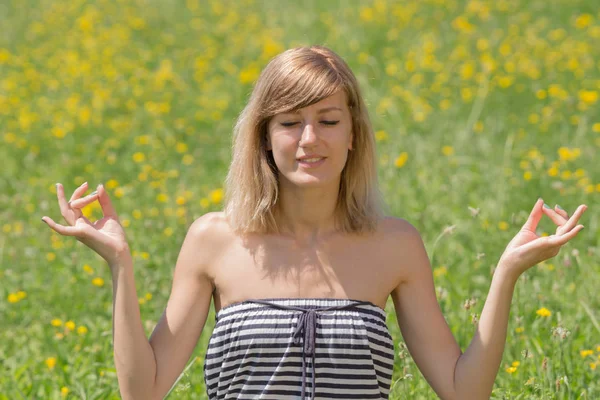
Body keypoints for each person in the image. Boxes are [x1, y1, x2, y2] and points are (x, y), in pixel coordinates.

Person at [42, 45, 588, 400]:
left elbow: (461, 390)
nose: (310, 140)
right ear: (264, 136)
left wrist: (508, 272)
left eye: (328, 120)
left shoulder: (395, 244)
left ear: (354, 135)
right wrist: (120, 265)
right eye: (290, 122)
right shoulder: (214, 239)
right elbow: (145, 391)